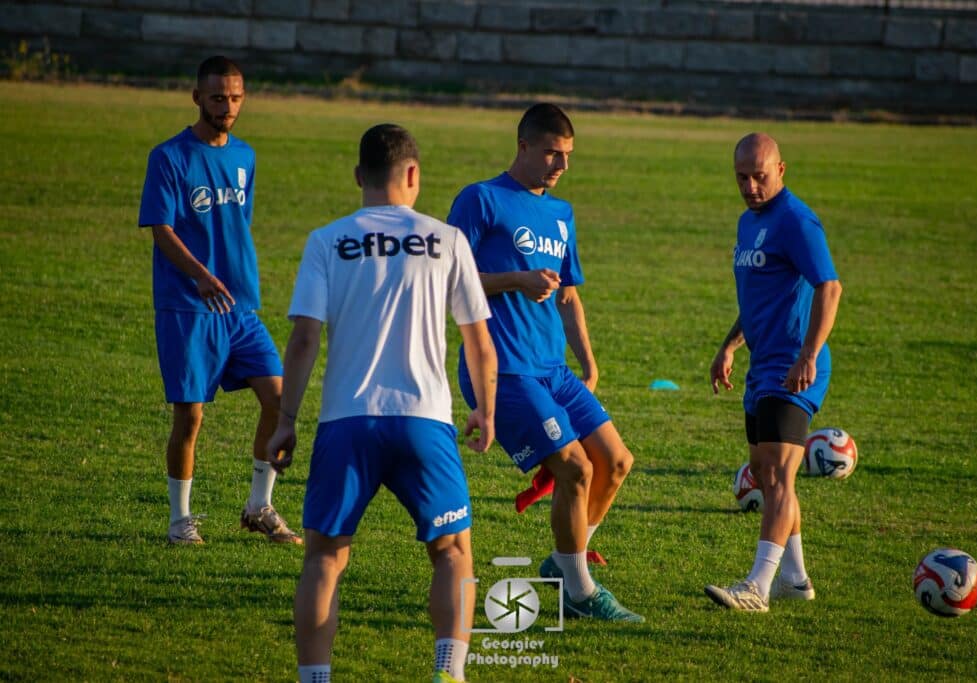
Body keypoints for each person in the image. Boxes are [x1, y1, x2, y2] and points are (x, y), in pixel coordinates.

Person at [265, 124, 497, 683]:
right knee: (451, 551)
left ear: (358, 177)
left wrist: (285, 422)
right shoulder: (447, 239)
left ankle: (315, 678)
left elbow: (302, 340)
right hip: (424, 421)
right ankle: (449, 673)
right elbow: (479, 342)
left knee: (324, 556)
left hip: (347, 422)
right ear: (413, 175)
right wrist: (486, 411)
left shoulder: (327, 240)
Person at [447, 103, 643, 623]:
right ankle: (579, 591)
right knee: (576, 468)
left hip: (553, 370)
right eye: (554, 153)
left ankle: (564, 564)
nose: (562, 165)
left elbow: (568, 295)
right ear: (524, 146)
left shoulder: (561, 213)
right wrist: (516, 279)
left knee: (616, 462)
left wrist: (590, 364)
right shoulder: (481, 199)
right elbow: (446, 278)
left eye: (569, 155)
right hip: (502, 370)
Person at [138, 55, 301, 545]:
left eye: (234, 98)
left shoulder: (245, 155)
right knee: (190, 416)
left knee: (279, 397)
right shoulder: (168, 157)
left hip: (239, 306)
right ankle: (179, 520)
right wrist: (201, 276)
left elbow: (238, 223)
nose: (226, 107)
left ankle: (260, 505)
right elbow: (160, 229)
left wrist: (228, 279)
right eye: (216, 98)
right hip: (187, 306)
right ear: (196, 98)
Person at [705, 133, 843, 612]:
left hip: (794, 368)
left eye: (759, 176)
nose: (749, 186)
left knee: (781, 475)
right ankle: (796, 579)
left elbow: (830, 287)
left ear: (781, 170)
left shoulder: (797, 221)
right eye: (741, 177)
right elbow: (757, 301)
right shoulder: (749, 223)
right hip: (761, 366)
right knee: (765, 473)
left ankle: (757, 588)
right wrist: (728, 346)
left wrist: (809, 354)